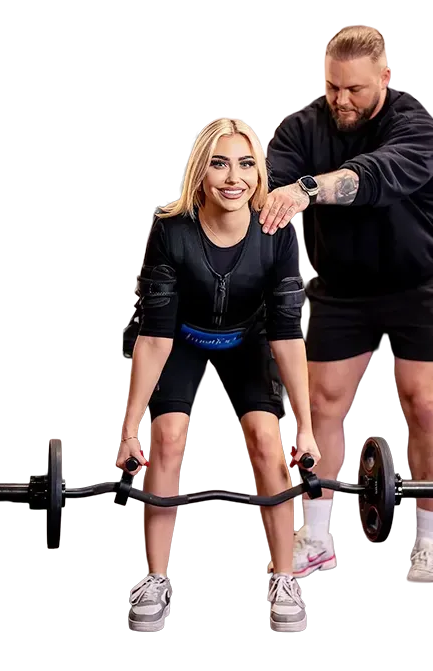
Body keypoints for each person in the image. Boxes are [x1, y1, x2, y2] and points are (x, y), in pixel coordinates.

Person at [262, 25, 433, 583]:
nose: (341, 100)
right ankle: (317, 538)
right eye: (333, 87)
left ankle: (429, 543)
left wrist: (306, 191)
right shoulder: (303, 128)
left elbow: (372, 178)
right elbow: (267, 187)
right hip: (341, 287)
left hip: (419, 285)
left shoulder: (416, 127)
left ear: (385, 79)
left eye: (354, 89)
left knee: (423, 402)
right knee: (319, 404)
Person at [117, 117, 321, 633]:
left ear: (260, 173)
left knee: (265, 438)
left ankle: (284, 577)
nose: (234, 178)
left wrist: (306, 429)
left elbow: (288, 335)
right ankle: (155, 580)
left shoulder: (276, 233)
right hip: (182, 337)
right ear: (199, 172)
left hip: (246, 338)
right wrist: (128, 432)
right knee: (167, 436)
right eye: (220, 163)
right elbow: (154, 336)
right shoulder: (172, 231)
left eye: (247, 164)